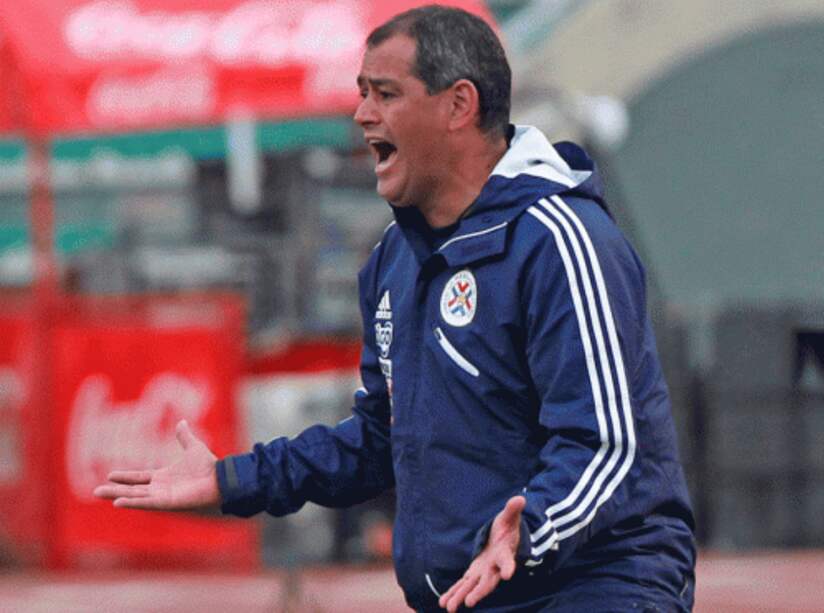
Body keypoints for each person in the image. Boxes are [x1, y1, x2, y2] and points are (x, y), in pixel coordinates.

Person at [95, 6, 696, 612]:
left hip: (594, 587)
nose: (362, 115)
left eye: (385, 93)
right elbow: (380, 441)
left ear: (459, 105)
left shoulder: (560, 239)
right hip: (473, 594)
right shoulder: (393, 261)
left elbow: (606, 444)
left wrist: (529, 530)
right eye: (361, 94)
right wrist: (233, 481)